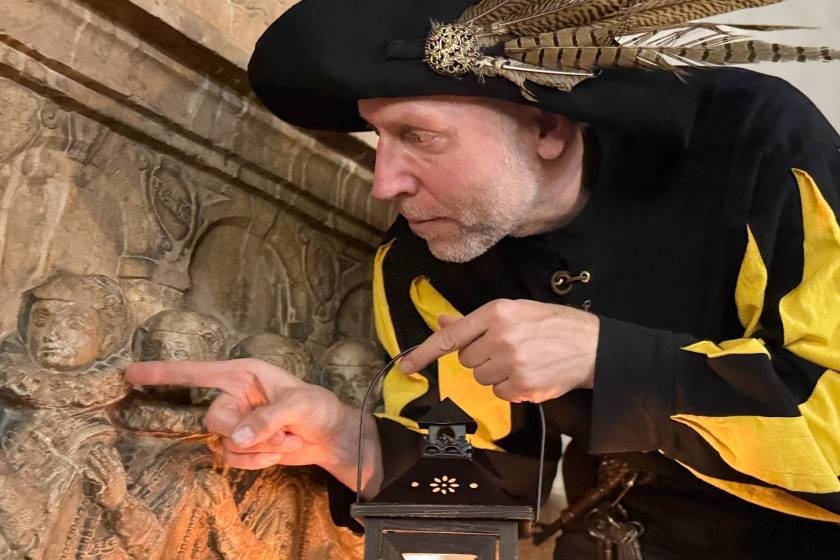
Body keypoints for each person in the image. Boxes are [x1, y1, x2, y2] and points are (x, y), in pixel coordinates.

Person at [127, 0, 840, 557]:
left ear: (547, 128)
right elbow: (478, 496)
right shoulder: (424, 263)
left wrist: (608, 357)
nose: (384, 182)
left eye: (418, 136)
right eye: (378, 136)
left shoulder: (759, 145)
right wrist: (342, 439)